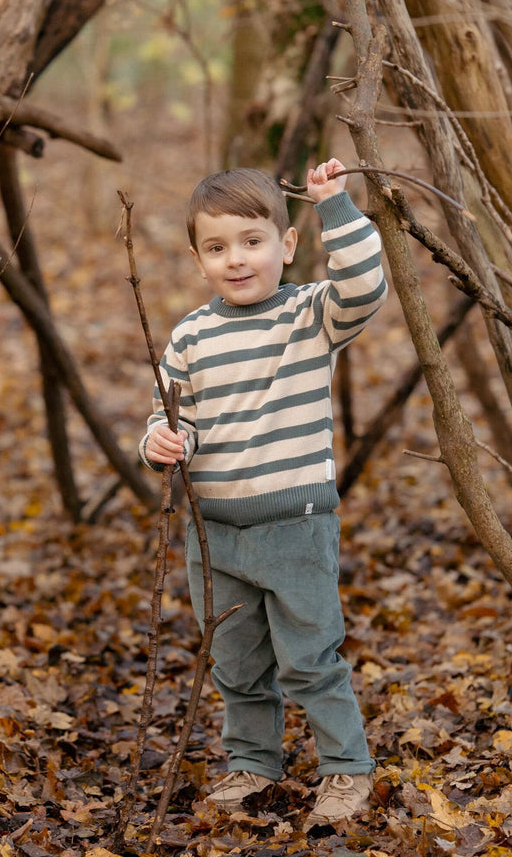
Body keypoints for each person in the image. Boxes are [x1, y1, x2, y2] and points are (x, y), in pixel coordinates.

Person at [139, 158, 387, 825]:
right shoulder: (192, 335)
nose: (237, 260)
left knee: (310, 657)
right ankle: (253, 761)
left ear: (287, 245)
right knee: (236, 662)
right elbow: (171, 414)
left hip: (295, 527)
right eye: (216, 248)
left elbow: (365, 287)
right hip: (214, 534)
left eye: (253, 241)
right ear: (198, 260)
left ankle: (345, 769)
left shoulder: (310, 316)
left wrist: (334, 206)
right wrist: (162, 441)